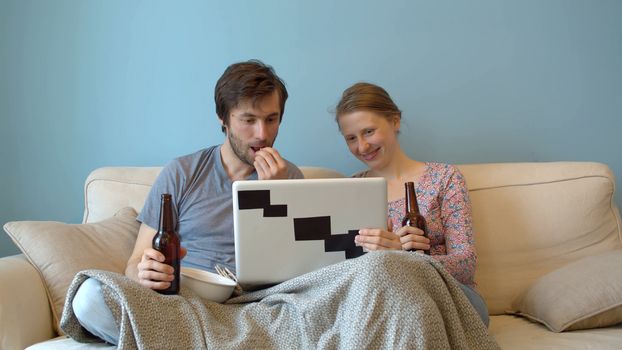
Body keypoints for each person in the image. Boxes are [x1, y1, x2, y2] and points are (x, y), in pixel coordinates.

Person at [71, 59, 304, 344]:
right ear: (223, 118)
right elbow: (134, 263)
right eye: (248, 120)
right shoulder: (182, 172)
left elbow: (295, 275)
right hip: (181, 306)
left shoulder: (290, 177)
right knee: (88, 298)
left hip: (256, 309)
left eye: (271, 119)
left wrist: (273, 197)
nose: (263, 134)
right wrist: (144, 272)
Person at [334, 82, 489, 326]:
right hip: (382, 301)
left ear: (395, 121)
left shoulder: (445, 178)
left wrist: (404, 258)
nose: (362, 147)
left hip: (453, 296)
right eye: (351, 138)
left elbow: (466, 263)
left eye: (369, 132)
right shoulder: (349, 190)